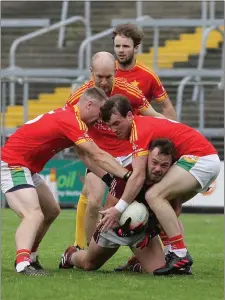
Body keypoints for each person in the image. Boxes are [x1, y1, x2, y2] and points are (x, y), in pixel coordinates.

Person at [0, 87, 132, 276]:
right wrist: (126, 176)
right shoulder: (72, 120)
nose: (102, 118)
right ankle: (22, 264)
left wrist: (108, 178)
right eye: (100, 111)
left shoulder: (73, 118)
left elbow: (86, 157)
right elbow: (97, 154)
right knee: (33, 214)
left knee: (51, 211)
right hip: (13, 164)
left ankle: (32, 256)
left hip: (26, 167)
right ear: (89, 104)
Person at [99, 94, 220, 275]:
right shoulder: (141, 128)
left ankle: (179, 254)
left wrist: (118, 208)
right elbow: (175, 208)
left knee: (153, 195)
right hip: (202, 158)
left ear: (130, 116)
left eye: (117, 123)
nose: (113, 129)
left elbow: (138, 176)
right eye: (110, 125)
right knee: (163, 204)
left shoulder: (138, 130)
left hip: (200, 158)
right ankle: (175, 255)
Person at [67, 51, 164, 249]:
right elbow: (69, 129)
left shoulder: (129, 91)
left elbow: (154, 117)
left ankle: (157, 251)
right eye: (99, 76)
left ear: (116, 72)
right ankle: (86, 249)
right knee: (94, 201)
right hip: (100, 158)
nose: (103, 82)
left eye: (108, 76)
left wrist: (179, 130)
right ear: (91, 72)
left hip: (130, 156)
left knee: (150, 201)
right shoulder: (80, 98)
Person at [59, 138, 176, 273]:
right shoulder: (128, 174)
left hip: (142, 229)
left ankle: (136, 264)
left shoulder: (171, 180)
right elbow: (110, 206)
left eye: (164, 165)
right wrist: (122, 228)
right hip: (114, 226)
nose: (157, 169)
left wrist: (152, 227)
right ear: (147, 157)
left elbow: (172, 211)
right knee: (89, 265)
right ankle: (71, 256)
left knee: (159, 270)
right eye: (154, 163)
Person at [113, 23, 177, 120]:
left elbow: (167, 106)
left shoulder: (148, 75)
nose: (120, 50)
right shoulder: (106, 72)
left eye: (125, 46)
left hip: (138, 131)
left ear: (136, 48)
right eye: (117, 46)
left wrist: (173, 132)